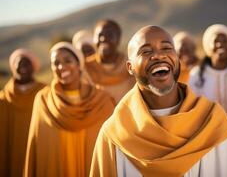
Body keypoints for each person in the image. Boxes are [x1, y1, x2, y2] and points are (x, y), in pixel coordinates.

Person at [89, 25, 227, 177]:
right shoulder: (114, 134)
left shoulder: (212, 121)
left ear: (177, 59)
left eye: (166, 48)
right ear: (130, 67)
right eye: (145, 51)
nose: (158, 55)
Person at [24, 42, 115, 177]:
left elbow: (111, 146)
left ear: (79, 64)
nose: (61, 67)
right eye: (56, 63)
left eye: (68, 61)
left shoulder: (102, 100)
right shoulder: (43, 100)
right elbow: (37, 148)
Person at [0, 49, 45, 177]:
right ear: (12, 67)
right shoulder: (3, 100)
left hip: (39, 153)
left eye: (27, 63)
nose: (22, 66)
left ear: (34, 66)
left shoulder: (46, 94)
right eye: (18, 63)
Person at [93, 19, 135, 102]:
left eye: (109, 35)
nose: (103, 39)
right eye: (100, 35)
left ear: (118, 39)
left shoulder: (132, 66)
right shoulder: (85, 67)